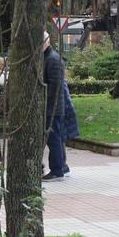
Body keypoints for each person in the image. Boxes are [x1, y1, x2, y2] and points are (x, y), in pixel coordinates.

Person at [42, 32, 71, 181]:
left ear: (46, 42)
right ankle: (60, 168)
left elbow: (54, 87)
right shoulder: (48, 57)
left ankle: (57, 170)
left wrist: (48, 106)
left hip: (52, 108)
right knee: (56, 139)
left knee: (53, 140)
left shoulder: (52, 59)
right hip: (51, 107)